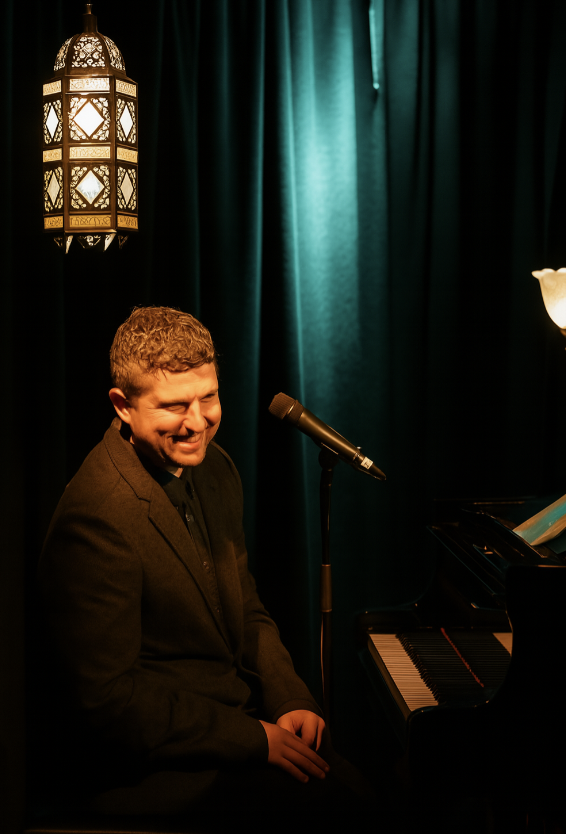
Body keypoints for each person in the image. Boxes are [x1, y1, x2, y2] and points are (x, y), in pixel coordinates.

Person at [38, 306, 373, 831]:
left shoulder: (215, 469)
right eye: (175, 406)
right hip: (148, 765)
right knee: (338, 810)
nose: (198, 422)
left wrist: (288, 695)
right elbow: (107, 702)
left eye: (209, 397)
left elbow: (246, 607)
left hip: (230, 719)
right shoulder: (97, 517)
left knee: (363, 787)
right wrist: (253, 739)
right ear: (123, 406)